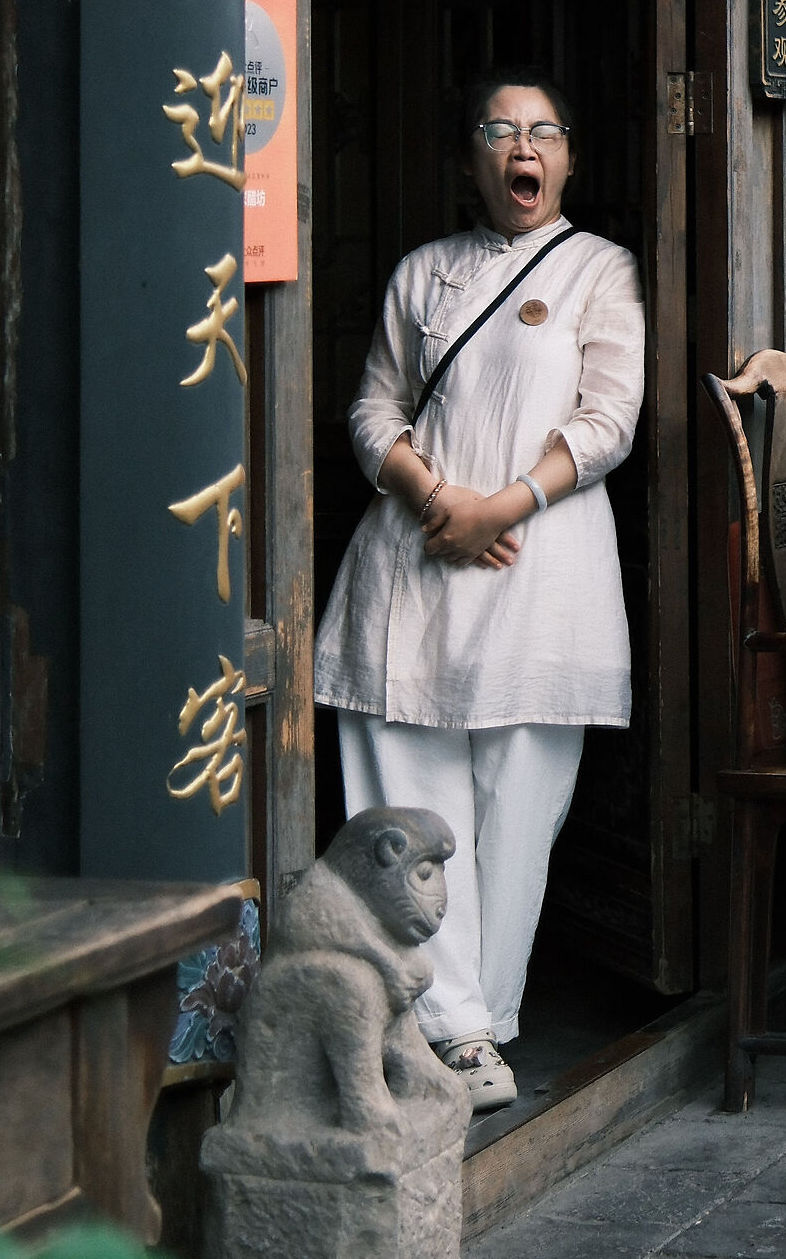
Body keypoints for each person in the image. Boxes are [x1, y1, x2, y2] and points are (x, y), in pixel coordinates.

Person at [314, 67, 646, 1110]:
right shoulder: (422, 272)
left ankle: (479, 1017)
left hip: (540, 572)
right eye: (499, 130)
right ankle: (442, 1025)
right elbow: (373, 406)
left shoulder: (602, 268)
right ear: (471, 159)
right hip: (411, 567)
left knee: (517, 811)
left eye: (543, 131)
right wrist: (430, 496)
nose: (522, 147)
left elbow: (608, 418)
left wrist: (501, 505)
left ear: (569, 160)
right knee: (405, 802)